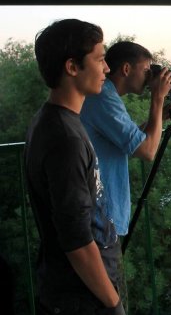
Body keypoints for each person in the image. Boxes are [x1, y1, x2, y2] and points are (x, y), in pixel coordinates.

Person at [25, 19, 124, 314]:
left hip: (73, 292)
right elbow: (77, 242)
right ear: (72, 67)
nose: (107, 68)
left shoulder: (53, 120)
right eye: (99, 59)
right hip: (81, 299)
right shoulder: (65, 139)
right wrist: (114, 305)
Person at [80, 41, 171, 303]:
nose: (149, 77)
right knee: (113, 298)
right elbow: (147, 151)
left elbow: (127, 142)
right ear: (126, 69)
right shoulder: (104, 98)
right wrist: (157, 99)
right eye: (146, 70)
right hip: (102, 217)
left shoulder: (105, 96)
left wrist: (158, 117)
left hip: (99, 213)